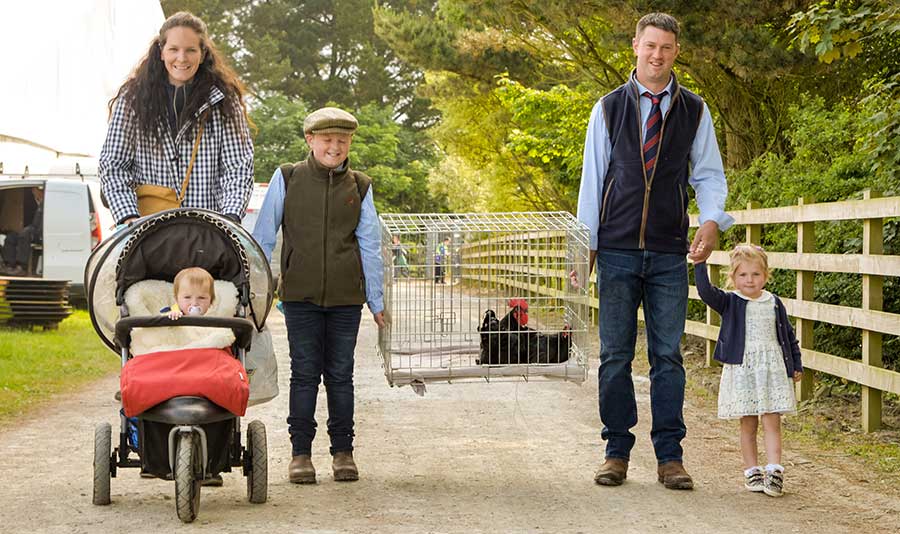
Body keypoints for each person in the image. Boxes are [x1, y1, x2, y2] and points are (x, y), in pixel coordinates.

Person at [573, 12, 734, 489]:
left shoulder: (695, 111)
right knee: (616, 356)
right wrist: (587, 248)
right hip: (618, 249)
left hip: (668, 251)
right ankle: (615, 451)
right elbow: (592, 182)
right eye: (650, 46)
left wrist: (710, 221)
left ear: (676, 52)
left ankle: (670, 457)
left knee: (668, 356)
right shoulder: (607, 108)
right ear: (636, 46)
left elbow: (707, 175)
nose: (657, 55)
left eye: (665, 47)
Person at [252, 107, 385, 485]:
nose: (335, 146)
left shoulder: (360, 186)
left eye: (342, 140)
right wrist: (259, 294)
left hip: (345, 299)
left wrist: (375, 302)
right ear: (310, 140)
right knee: (305, 374)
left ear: (350, 143)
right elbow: (263, 238)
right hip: (300, 298)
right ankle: (301, 455)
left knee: (341, 376)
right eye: (327, 139)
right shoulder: (288, 178)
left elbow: (370, 245)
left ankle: (344, 452)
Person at [99, 11, 254, 227]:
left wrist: (229, 218)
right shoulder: (132, 99)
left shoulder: (223, 100)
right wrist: (128, 217)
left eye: (191, 50)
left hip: (207, 229)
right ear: (161, 51)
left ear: (202, 54)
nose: (182, 58)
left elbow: (237, 167)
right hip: (147, 229)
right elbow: (113, 164)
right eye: (174, 49)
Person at [694, 245, 802, 497]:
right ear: (733, 278)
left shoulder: (774, 302)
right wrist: (699, 264)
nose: (750, 280)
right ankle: (752, 470)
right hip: (744, 369)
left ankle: (774, 471)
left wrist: (796, 363)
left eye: (755, 274)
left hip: (771, 368)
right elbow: (706, 293)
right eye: (743, 275)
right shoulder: (730, 302)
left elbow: (788, 335)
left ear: (766, 275)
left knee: (772, 420)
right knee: (748, 423)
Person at [1, 187, 43, 275]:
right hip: (32, 229)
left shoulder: (46, 202)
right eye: (35, 190)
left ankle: (22, 266)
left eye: (38, 190)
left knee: (25, 233)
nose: (36, 192)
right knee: (11, 236)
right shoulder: (35, 201)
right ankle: (9, 265)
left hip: (41, 232)